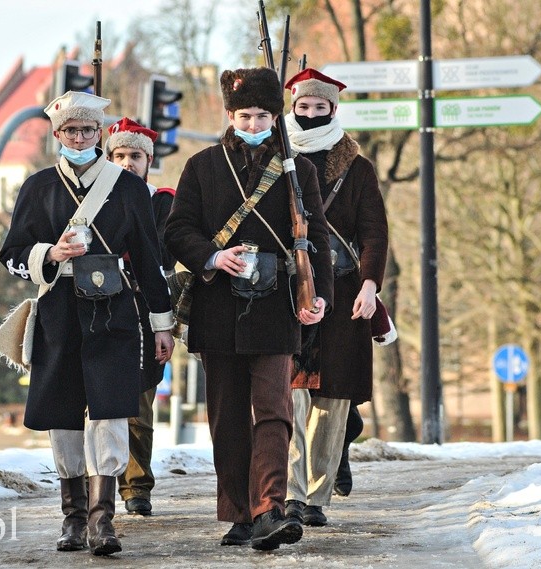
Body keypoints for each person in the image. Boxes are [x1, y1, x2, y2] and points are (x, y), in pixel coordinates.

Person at [0, 91, 175, 556]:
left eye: (88, 130)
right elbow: (12, 254)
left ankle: (103, 522)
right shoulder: (37, 187)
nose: (79, 137)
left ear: (101, 134)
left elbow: (151, 260)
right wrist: (50, 254)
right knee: (64, 418)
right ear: (57, 135)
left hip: (113, 312)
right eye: (70, 131)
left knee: (111, 414)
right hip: (58, 313)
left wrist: (161, 323)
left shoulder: (128, 186)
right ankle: (73, 520)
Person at [164, 67, 334, 551]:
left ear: (275, 117)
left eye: (263, 115)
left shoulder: (299, 170)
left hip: (277, 308)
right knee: (228, 417)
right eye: (246, 115)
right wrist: (215, 257)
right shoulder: (201, 166)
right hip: (219, 307)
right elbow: (178, 231)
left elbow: (315, 240)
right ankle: (238, 513)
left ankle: (270, 509)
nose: (255, 124)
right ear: (230, 115)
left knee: (275, 412)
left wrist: (317, 295)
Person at [282, 68, 389, 527]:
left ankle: (315, 496)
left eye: (319, 107)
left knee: (331, 401)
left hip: (344, 295)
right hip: (286, 291)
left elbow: (374, 232)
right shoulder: (275, 158)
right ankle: (288, 493)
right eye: (302, 107)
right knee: (287, 393)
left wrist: (370, 285)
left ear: (333, 109)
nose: (309, 114)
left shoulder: (356, 167)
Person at [105, 117, 176, 517]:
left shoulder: (161, 201)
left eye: (135, 156)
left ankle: (135, 486)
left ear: (148, 160)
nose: (127, 162)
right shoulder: (92, 196)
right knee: (92, 402)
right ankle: (94, 483)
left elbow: (162, 254)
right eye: (119, 155)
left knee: (138, 402)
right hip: (98, 303)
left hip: (145, 305)